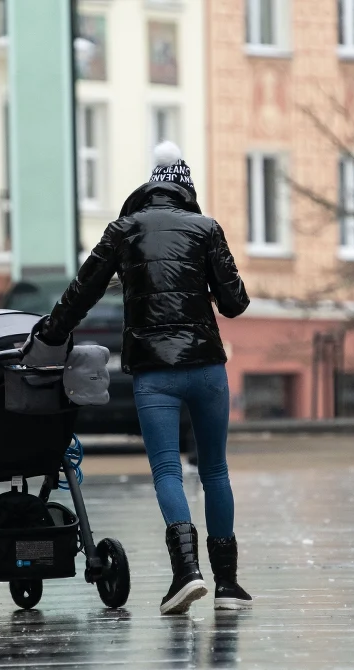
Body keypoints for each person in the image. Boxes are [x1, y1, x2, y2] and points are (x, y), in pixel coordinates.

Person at [34, 141, 251, 615]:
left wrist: (49, 332)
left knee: (168, 471)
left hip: (156, 373)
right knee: (215, 470)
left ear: (148, 188)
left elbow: (82, 290)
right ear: (185, 191)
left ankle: (186, 572)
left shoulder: (124, 230)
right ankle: (229, 585)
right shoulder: (206, 228)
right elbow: (236, 302)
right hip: (208, 368)